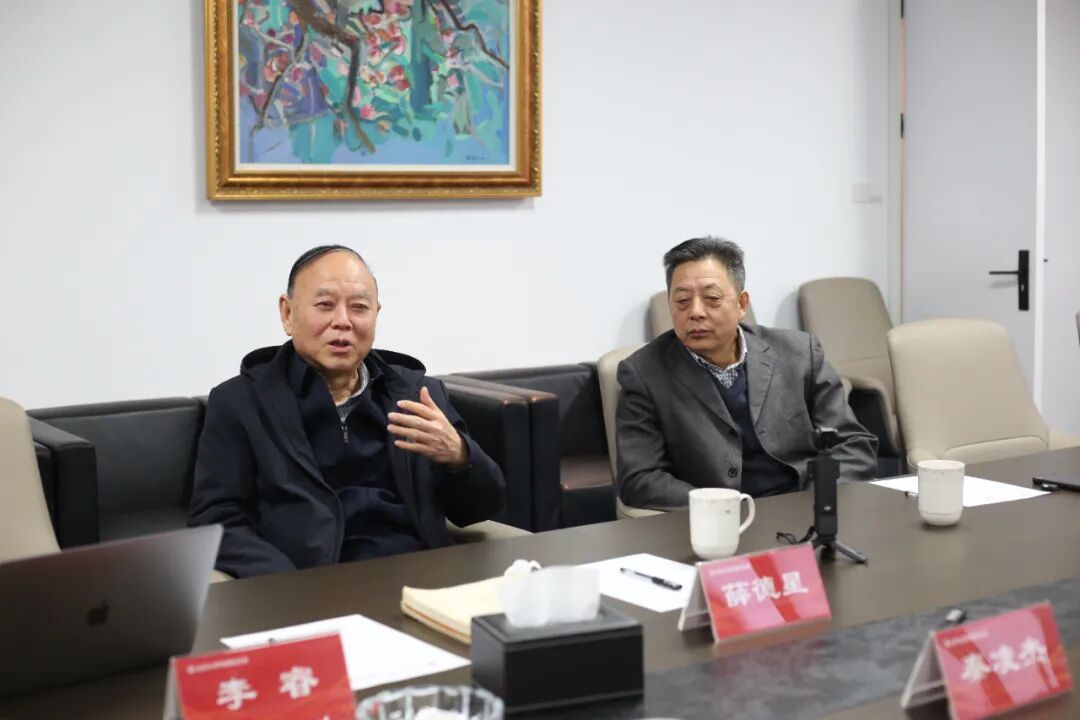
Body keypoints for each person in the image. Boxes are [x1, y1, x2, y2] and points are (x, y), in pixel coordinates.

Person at [188, 245, 505, 578]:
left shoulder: (417, 396)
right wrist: (287, 583)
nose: (342, 321)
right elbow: (217, 521)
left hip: (420, 579)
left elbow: (480, 509)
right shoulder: (241, 402)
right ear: (287, 313)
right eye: (325, 305)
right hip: (311, 585)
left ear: (376, 314)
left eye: (359, 308)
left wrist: (459, 457)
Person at [616, 237, 877, 510]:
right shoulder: (644, 373)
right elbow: (639, 478)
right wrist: (720, 507)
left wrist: (817, 498)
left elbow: (854, 445)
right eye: (682, 301)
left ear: (741, 304)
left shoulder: (799, 353)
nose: (695, 312)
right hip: (717, 519)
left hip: (804, 506)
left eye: (712, 299)